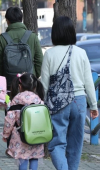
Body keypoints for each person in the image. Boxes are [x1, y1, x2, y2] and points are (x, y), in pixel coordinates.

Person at [41, 16, 99, 170]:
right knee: (75, 144)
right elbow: (89, 82)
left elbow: (44, 85)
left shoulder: (49, 54)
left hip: (58, 101)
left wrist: (42, 104)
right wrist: (93, 106)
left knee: (57, 144)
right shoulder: (81, 53)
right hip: (79, 102)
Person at [2, 73, 44, 170]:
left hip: (21, 137)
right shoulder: (39, 100)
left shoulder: (16, 100)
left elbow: (9, 120)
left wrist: (6, 135)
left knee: (23, 159)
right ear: (35, 87)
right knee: (34, 157)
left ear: (19, 86)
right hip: (36, 136)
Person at [0, 7, 43, 84]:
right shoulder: (32, 37)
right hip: (29, 82)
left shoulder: (2, 39)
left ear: (7, 21)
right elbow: (39, 60)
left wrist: (4, 79)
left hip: (9, 83)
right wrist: (34, 75)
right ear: (21, 19)